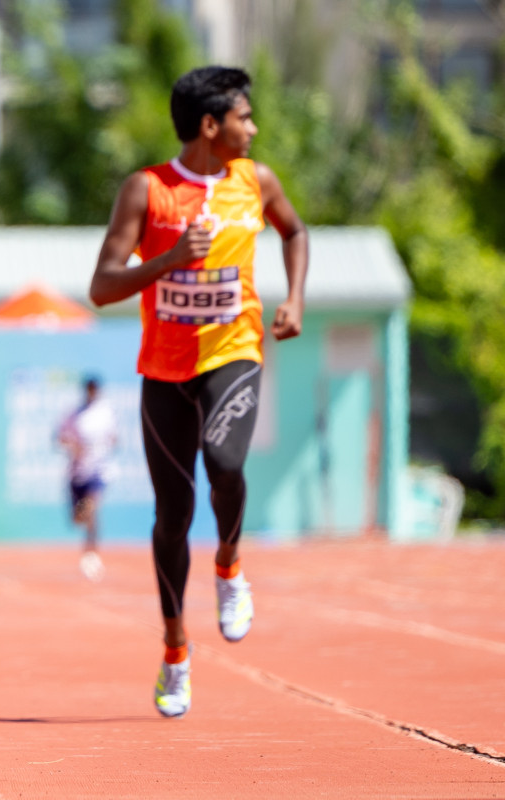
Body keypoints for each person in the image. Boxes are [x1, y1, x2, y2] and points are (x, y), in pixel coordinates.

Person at [88, 66, 309, 718]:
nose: (255, 127)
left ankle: (231, 564)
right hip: (164, 369)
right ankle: (176, 650)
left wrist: (294, 297)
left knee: (228, 462)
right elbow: (102, 285)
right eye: (246, 116)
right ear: (210, 126)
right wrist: (169, 260)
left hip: (233, 352)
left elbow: (295, 231)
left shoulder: (256, 180)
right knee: (171, 518)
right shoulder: (147, 190)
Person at [56, 375, 118, 582]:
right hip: (77, 472)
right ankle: (85, 532)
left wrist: (107, 444)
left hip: (98, 470)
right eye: (89, 389)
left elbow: (115, 437)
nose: (92, 393)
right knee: (79, 517)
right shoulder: (75, 415)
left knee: (92, 506)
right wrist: (74, 447)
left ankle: (90, 552)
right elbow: (60, 437)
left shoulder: (105, 413)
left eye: (95, 389)